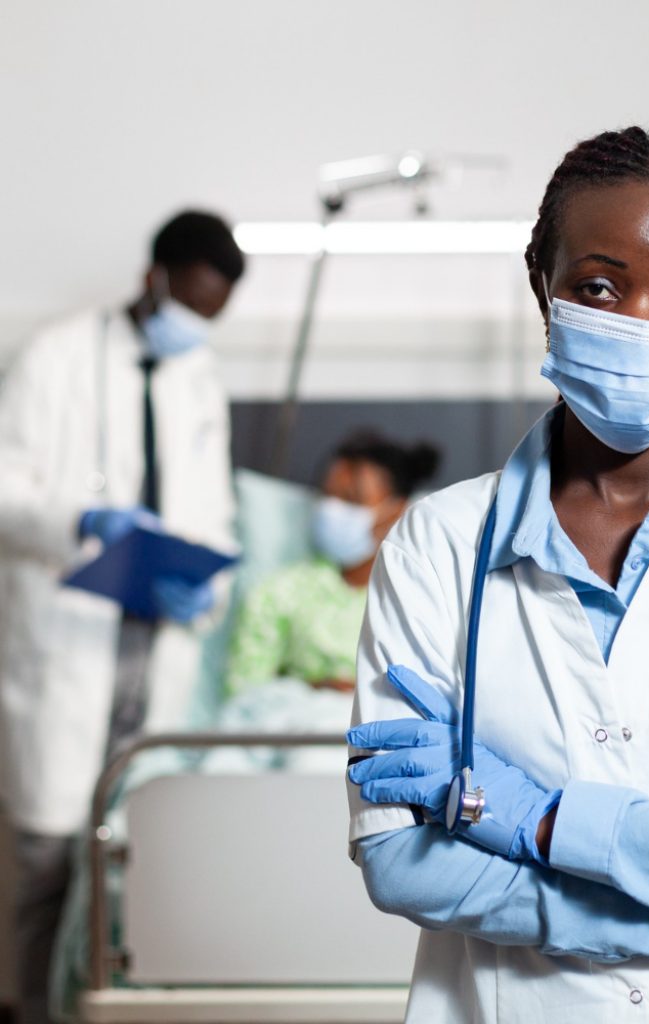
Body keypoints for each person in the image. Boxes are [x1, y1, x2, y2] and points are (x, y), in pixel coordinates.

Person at [347, 127, 649, 1022]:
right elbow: (401, 857)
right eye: (600, 286)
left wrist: (539, 821)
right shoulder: (437, 545)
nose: (641, 320)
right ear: (546, 289)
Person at [0, 210, 244, 1024]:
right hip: (66, 637)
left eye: (211, 316)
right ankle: (29, 1006)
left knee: (129, 860)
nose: (196, 328)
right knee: (45, 858)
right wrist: (83, 521)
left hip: (153, 643)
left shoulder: (199, 378)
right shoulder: (53, 356)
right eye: (191, 306)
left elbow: (215, 514)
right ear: (154, 279)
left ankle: (98, 1008)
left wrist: (201, 586)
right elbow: (6, 493)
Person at [227, 431, 440, 695]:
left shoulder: (424, 602)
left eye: (352, 499)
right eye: (327, 495)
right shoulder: (280, 593)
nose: (333, 509)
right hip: (298, 726)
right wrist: (317, 690)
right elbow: (243, 697)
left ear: (397, 510)